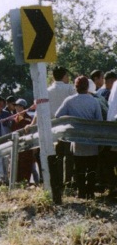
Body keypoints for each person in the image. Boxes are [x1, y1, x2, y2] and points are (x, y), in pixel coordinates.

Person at [55, 76, 103, 199]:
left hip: (77, 139)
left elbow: (58, 115)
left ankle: (81, 192)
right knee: (91, 167)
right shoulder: (94, 101)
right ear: (87, 87)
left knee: (79, 166)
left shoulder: (69, 101)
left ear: (75, 87)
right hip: (91, 139)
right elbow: (99, 121)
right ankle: (90, 192)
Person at [47, 66, 76, 202]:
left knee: (57, 155)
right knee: (69, 155)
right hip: (68, 125)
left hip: (53, 126)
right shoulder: (70, 88)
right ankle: (68, 180)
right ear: (64, 76)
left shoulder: (47, 91)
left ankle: (57, 181)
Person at [10, 99, 35, 183]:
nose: (16, 108)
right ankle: (17, 182)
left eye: (18, 106)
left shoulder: (28, 119)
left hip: (26, 145)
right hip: (17, 146)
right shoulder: (14, 119)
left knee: (26, 165)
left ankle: (25, 182)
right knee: (17, 165)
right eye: (16, 106)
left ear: (22, 107)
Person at [0, 96, 12, 183]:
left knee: (6, 160)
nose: (1, 106)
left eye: (2, 104)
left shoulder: (6, 114)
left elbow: (11, 125)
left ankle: (7, 179)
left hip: (5, 139)